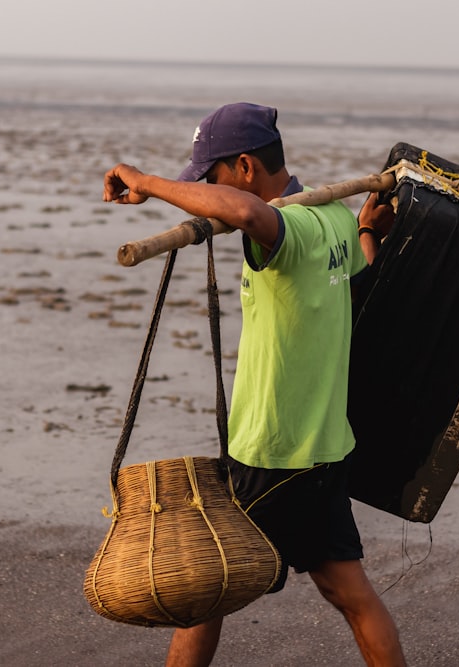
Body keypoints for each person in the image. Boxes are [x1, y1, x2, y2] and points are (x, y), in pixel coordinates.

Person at [102, 102, 405, 667]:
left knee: (205, 590)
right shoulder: (335, 217)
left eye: (209, 176)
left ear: (244, 167)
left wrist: (146, 182)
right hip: (323, 445)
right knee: (349, 595)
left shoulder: (283, 229)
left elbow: (246, 215)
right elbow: (354, 286)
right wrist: (367, 231)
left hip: (272, 448)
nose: (207, 187)